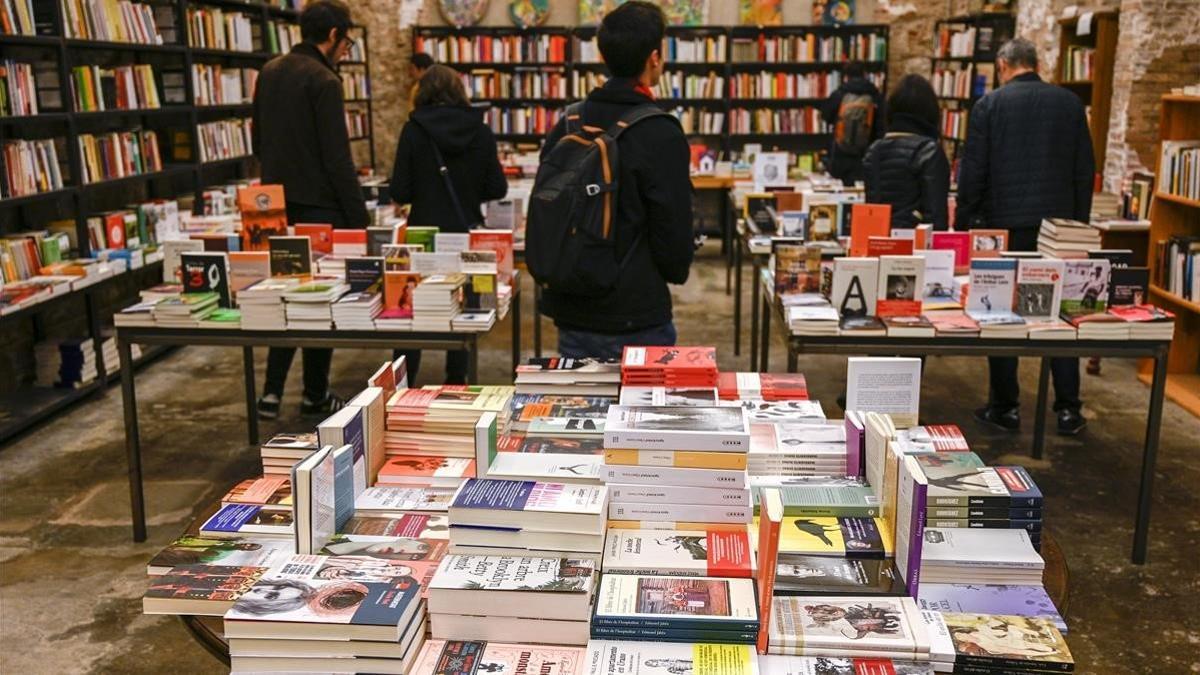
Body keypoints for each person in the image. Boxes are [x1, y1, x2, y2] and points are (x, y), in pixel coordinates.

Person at [539, 1, 694, 359]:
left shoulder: (569, 122)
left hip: (573, 306)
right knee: (645, 412)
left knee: (579, 412)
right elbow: (673, 233)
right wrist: (675, 269)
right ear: (654, 57)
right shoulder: (660, 131)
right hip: (637, 311)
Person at [956, 38, 1095, 435]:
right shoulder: (1070, 104)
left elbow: (973, 173)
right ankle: (1069, 409)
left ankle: (1006, 406)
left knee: (1000, 313)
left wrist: (969, 227)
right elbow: (1084, 169)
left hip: (1004, 226)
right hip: (1057, 229)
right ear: (1036, 63)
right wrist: (1077, 228)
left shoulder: (989, 106)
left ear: (1002, 65)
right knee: (1060, 316)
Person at [252, 0, 368, 419]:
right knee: (320, 302)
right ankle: (314, 394)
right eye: (347, 41)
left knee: (283, 295)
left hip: (276, 208)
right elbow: (337, 159)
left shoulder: (269, 71)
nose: (345, 49)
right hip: (322, 210)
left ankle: (270, 393)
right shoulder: (324, 80)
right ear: (334, 35)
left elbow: (257, 141)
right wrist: (360, 220)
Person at [389, 64, 507, 383]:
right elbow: (497, 188)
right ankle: (456, 383)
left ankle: (402, 385)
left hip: (422, 234)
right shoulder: (479, 130)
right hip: (462, 232)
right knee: (461, 308)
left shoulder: (413, 129)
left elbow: (400, 189)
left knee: (413, 310)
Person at [862, 74, 950, 230]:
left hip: (879, 240)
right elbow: (936, 215)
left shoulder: (874, 151)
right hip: (915, 246)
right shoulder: (928, 151)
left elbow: (872, 207)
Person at [820, 62, 884, 185]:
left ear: (845, 76)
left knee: (842, 192)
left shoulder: (839, 94)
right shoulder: (875, 95)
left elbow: (825, 116)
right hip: (866, 152)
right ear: (865, 74)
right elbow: (881, 124)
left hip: (841, 153)